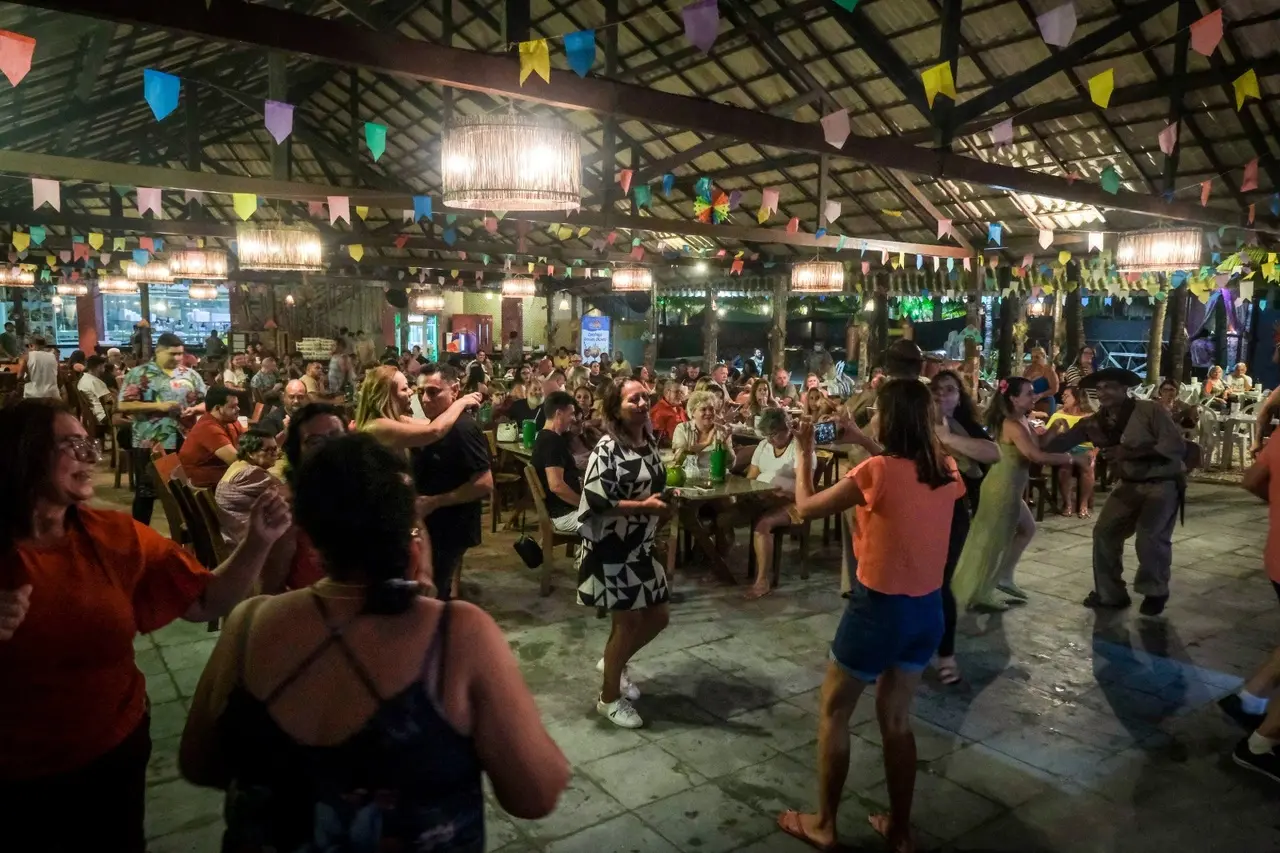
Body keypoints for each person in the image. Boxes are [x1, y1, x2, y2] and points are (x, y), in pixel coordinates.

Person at [179, 433, 568, 849]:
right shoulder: (458, 633)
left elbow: (202, 765)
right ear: (409, 527)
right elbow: (535, 795)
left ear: (308, 536)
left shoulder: (248, 624)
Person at [0, 398, 290, 853]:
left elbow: (205, 600)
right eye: (72, 444)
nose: (89, 455)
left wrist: (257, 543)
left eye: (87, 442)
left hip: (111, 752)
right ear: (23, 451)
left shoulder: (115, 536)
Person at [776, 381, 965, 853]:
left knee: (835, 712)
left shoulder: (875, 471)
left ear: (891, 417)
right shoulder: (945, 469)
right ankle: (900, 831)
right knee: (897, 721)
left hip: (878, 610)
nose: (873, 416)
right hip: (927, 611)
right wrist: (861, 439)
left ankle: (824, 824)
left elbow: (805, 506)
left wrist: (804, 453)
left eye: (877, 411)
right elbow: (904, 466)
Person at [577, 378, 671, 729]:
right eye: (634, 399)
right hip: (612, 547)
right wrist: (643, 506)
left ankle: (613, 664)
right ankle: (608, 698)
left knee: (659, 615)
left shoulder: (647, 442)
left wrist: (663, 504)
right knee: (627, 622)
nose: (643, 403)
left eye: (645, 397)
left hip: (641, 544)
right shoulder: (607, 448)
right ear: (616, 408)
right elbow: (597, 501)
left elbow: (654, 483)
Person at [951, 377, 1074, 611]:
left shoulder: (1021, 419)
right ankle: (981, 592)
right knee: (993, 541)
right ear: (1014, 398)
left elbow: (1037, 444)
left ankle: (1003, 577)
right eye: (1029, 393)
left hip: (1012, 487)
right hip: (1002, 487)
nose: (1034, 396)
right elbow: (1035, 456)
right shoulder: (1011, 424)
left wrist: (1054, 430)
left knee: (1026, 529)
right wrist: (1071, 458)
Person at [1080, 367, 1186, 615]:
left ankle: (1155, 590)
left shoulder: (1150, 410)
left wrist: (1128, 452)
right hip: (1128, 483)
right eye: (1100, 387)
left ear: (1123, 389)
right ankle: (1110, 593)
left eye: (1109, 386)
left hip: (1163, 481)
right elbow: (1067, 438)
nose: (1102, 392)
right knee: (1104, 533)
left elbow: (1173, 446)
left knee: (1150, 538)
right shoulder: (1099, 419)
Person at [927, 370, 999, 686]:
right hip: (916, 508)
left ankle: (946, 655)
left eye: (950, 390)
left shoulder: (963, 426)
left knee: (941, 582)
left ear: (960, 396)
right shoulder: (914, 426)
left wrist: (947, 438)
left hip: (953, 511)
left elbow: (992, 453)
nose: (943, 395)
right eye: (936, 390)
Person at [413, 364, 494, 600]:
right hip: (436, 525)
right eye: (420, 393)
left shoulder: (463, 428)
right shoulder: (440, 424)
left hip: (450, 524)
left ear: (455, 390)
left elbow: (485, 483)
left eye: (433, 392)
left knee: (436, 592)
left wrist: (436, 502)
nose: (425, 399)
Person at [118, 332, 208, 524]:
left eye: (180, 354)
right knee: (147, 490)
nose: (177, 358)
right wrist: (159, 406)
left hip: (185, 437)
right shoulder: (139, 374)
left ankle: (186, 537)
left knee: (184, 488)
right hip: (150, 438)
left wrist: (195, 409)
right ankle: (141, 534)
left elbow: (207, 402)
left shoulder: (189, 374)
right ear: (158, 351)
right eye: (172, 354)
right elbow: (124, 405)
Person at [744, 408, 813, 600]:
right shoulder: (763, 446)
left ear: (787, 429)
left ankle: (762, 580)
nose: (769, 439)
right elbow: (751, 476)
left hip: (793, 503)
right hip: (764, 497)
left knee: (762, 525)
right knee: (728, 515)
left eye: (773, 434)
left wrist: (781, 496)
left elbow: (806, 488)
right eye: (766, 435)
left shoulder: (800, 448)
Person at [354, 365, 482, 454]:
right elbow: (434, 431)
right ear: (387, 396)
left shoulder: (398, 420)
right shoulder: (378, 426)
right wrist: (461, 402)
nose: (411, 392)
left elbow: (433, 424)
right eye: (404, 389)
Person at [214, 428, 281, 544]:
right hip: (243, 538)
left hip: (232, 529)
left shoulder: (238, 464)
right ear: (250, 453)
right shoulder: (249, 473)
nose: (275, 453)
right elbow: (286, 494)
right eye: (268, 450)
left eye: (275, 448)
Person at [532, 391, 583, 535]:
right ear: (559, 413)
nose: (573, 419)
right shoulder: (552, 441)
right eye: (571, 414)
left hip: (564, 512)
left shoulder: (543, 436)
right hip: (564, 515)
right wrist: (584, 504)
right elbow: (556, 486)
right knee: (613, 520)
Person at [179, 386, 244, 489]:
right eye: (233, 406)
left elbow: (250, 442)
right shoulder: (208, 428)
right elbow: (237, 462)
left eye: (237, 405)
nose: (238, 409)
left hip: (220, 475)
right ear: (218, 408)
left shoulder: (230, 422)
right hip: (204, 487)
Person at [77, 354, 114, 426]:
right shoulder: (95, 381)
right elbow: (109, 401)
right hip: (103, 416)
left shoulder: (83, 379)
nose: (104, 369)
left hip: (94, 415)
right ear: (98, 367)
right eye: (103, 366)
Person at [18, 335, 58, 400]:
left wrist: (27, 379)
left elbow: (19, 377)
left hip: (32, 396)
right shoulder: (53, 356)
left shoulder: (26, 357)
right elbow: (59, 376)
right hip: (52, 395)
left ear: (31, 345)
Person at [1023, 346, 1060, 414]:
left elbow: (1055, 389)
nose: (1034, 359)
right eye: (1032, 357)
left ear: (1043, 356)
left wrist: (1040, 395)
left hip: (1046, 403)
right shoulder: (1027, 369)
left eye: (1037, 357)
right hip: (1030, 403)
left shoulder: (1049, 370)